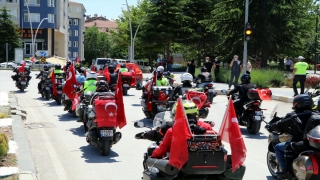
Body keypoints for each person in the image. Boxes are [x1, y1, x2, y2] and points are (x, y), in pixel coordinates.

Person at [266, 94, 313, 179]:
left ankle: (285, 171)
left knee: (277, 147)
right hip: (314, 144)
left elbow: (280, 124)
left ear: (297, 104)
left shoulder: (294, 116)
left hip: (300, 143)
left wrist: (270, 126)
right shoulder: (316, 114)